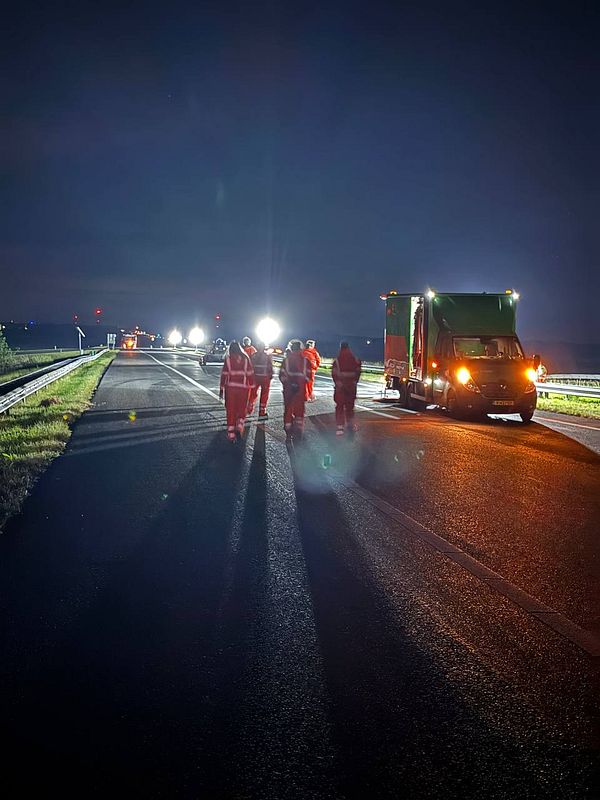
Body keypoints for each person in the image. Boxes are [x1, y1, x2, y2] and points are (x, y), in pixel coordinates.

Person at [219, 341, 255, 441]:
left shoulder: (228, 359)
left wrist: (221, 388)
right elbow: (250, 373)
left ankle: (231, 434)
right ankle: (239, 427)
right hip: (243, 389)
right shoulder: (245, 358)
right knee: (241, 409)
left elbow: (224, 374)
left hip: (230, 389)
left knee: (231, 410)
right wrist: (252, 387)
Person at [279, 339, 310, 438]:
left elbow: (282, 375)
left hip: (288, 389)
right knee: (299, 409)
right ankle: (299, 428)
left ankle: (288, 426)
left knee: (288, 408)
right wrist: (300, 383)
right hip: (300, 389)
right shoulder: (305, 361)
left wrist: (287, 384)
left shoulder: (286, 360)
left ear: (291, 349)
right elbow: (309, 377)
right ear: (300, 349)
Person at [332, 341, 362, 435]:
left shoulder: (337, 360)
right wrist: (354, 382)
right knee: (350, 407)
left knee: (340, 407)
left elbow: (334, 374)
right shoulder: (355, 359)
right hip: (351, 387)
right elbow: (358, 372)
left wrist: (338, 383)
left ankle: (340, 427)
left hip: (340, 388)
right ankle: (350, 425)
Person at [248, 345, 274, 419]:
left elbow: (250, 366)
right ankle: (262, 412)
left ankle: (249, 409)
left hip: (255, 377)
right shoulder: (267, 356)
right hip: (265, 378)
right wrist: (271, 374)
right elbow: (270, 366)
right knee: (264, 395)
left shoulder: (253, 356)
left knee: (252, 393)